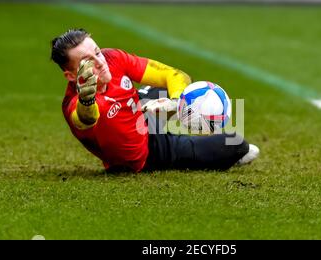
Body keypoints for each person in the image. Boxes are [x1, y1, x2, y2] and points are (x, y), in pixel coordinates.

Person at [50, 28, 259, 173]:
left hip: (140, 114)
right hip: (148, 152)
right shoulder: (75, 103)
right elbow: (85, 118)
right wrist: (87, 101)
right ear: (70, 75)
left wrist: (175, 101)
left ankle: (168, 114)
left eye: (97, 52)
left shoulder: (112, 58)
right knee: (236, 144)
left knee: (175, 89)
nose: (100, 62)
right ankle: (176, 133)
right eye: (88, 62)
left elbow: (175, 75)